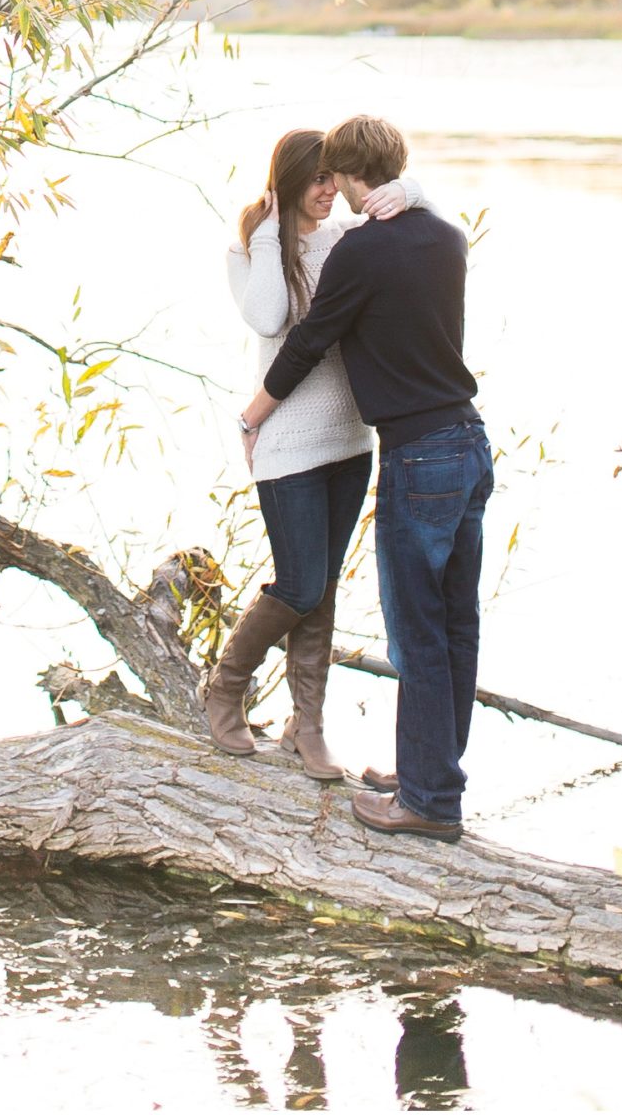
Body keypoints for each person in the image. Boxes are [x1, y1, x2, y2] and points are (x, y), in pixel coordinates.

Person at [244, 112, 490, 842]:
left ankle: (427, 805)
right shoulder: (445, 235)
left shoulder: (359, 252)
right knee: (455, 628)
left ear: (353, 178)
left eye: (337, 178)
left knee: (417, 634)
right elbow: (420, 212)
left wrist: (254, 415)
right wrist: (410, 190)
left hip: (417, 456)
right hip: (470, 444)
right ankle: (432, 778)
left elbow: (309, 340)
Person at [202, 128, 427, 768]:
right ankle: (224, 689)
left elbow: (431, 217)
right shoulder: (248, 251)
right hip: (287, 446)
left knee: (322, 587)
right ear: (292, 181)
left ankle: (308, 726)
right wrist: (273, 228)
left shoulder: (349, 242)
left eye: (336, 179)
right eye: (319, 179)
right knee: (299, 584)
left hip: (350, 441)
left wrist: (407, 189)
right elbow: (272, 318)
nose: (331, 192)